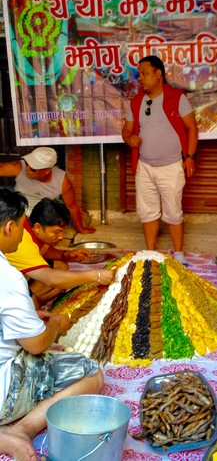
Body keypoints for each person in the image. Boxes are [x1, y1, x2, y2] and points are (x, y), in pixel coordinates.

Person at [0, 187, 103, 461]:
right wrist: (56, 324)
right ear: (10, 227)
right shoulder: (7, 277)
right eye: (22, 227)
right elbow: (35, 346)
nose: (23, 235)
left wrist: (30, 316)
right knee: (92, 373)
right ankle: (22, 429)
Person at [122, 55, 198, 266]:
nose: (141, 79)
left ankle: (179, 254)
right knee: (148, 212)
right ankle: (150, 253)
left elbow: (192, 128)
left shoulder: (177, 98)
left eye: (145, 74)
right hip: (144, 166)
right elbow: (126, 130)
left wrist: (190, 157)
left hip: (172, 165)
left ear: (158, 74)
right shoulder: (136, 102)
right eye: (139, 75)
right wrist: (131, 139)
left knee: (173, 211)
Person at [5, 198, 115, 307]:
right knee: (54, 286)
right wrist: (97, 275)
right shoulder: (22, 243)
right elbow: (50, 278)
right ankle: (29, 301)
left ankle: (35, 298)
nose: (61, 237)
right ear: (38, 227)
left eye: (63, 232)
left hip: (18, 277)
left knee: (61, 265)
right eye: (56, 232)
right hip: (6, 288)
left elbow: (43, 249)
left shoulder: (27, 224)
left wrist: (65, 255)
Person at [0, 147, 95, 235]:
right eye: (27, 164)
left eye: (33, 168)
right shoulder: (19, 168)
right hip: (21, 215)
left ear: (47, 171)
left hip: (43, 219)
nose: (27, 169)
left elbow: (72, 206)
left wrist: (81, 228)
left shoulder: (62, 181)